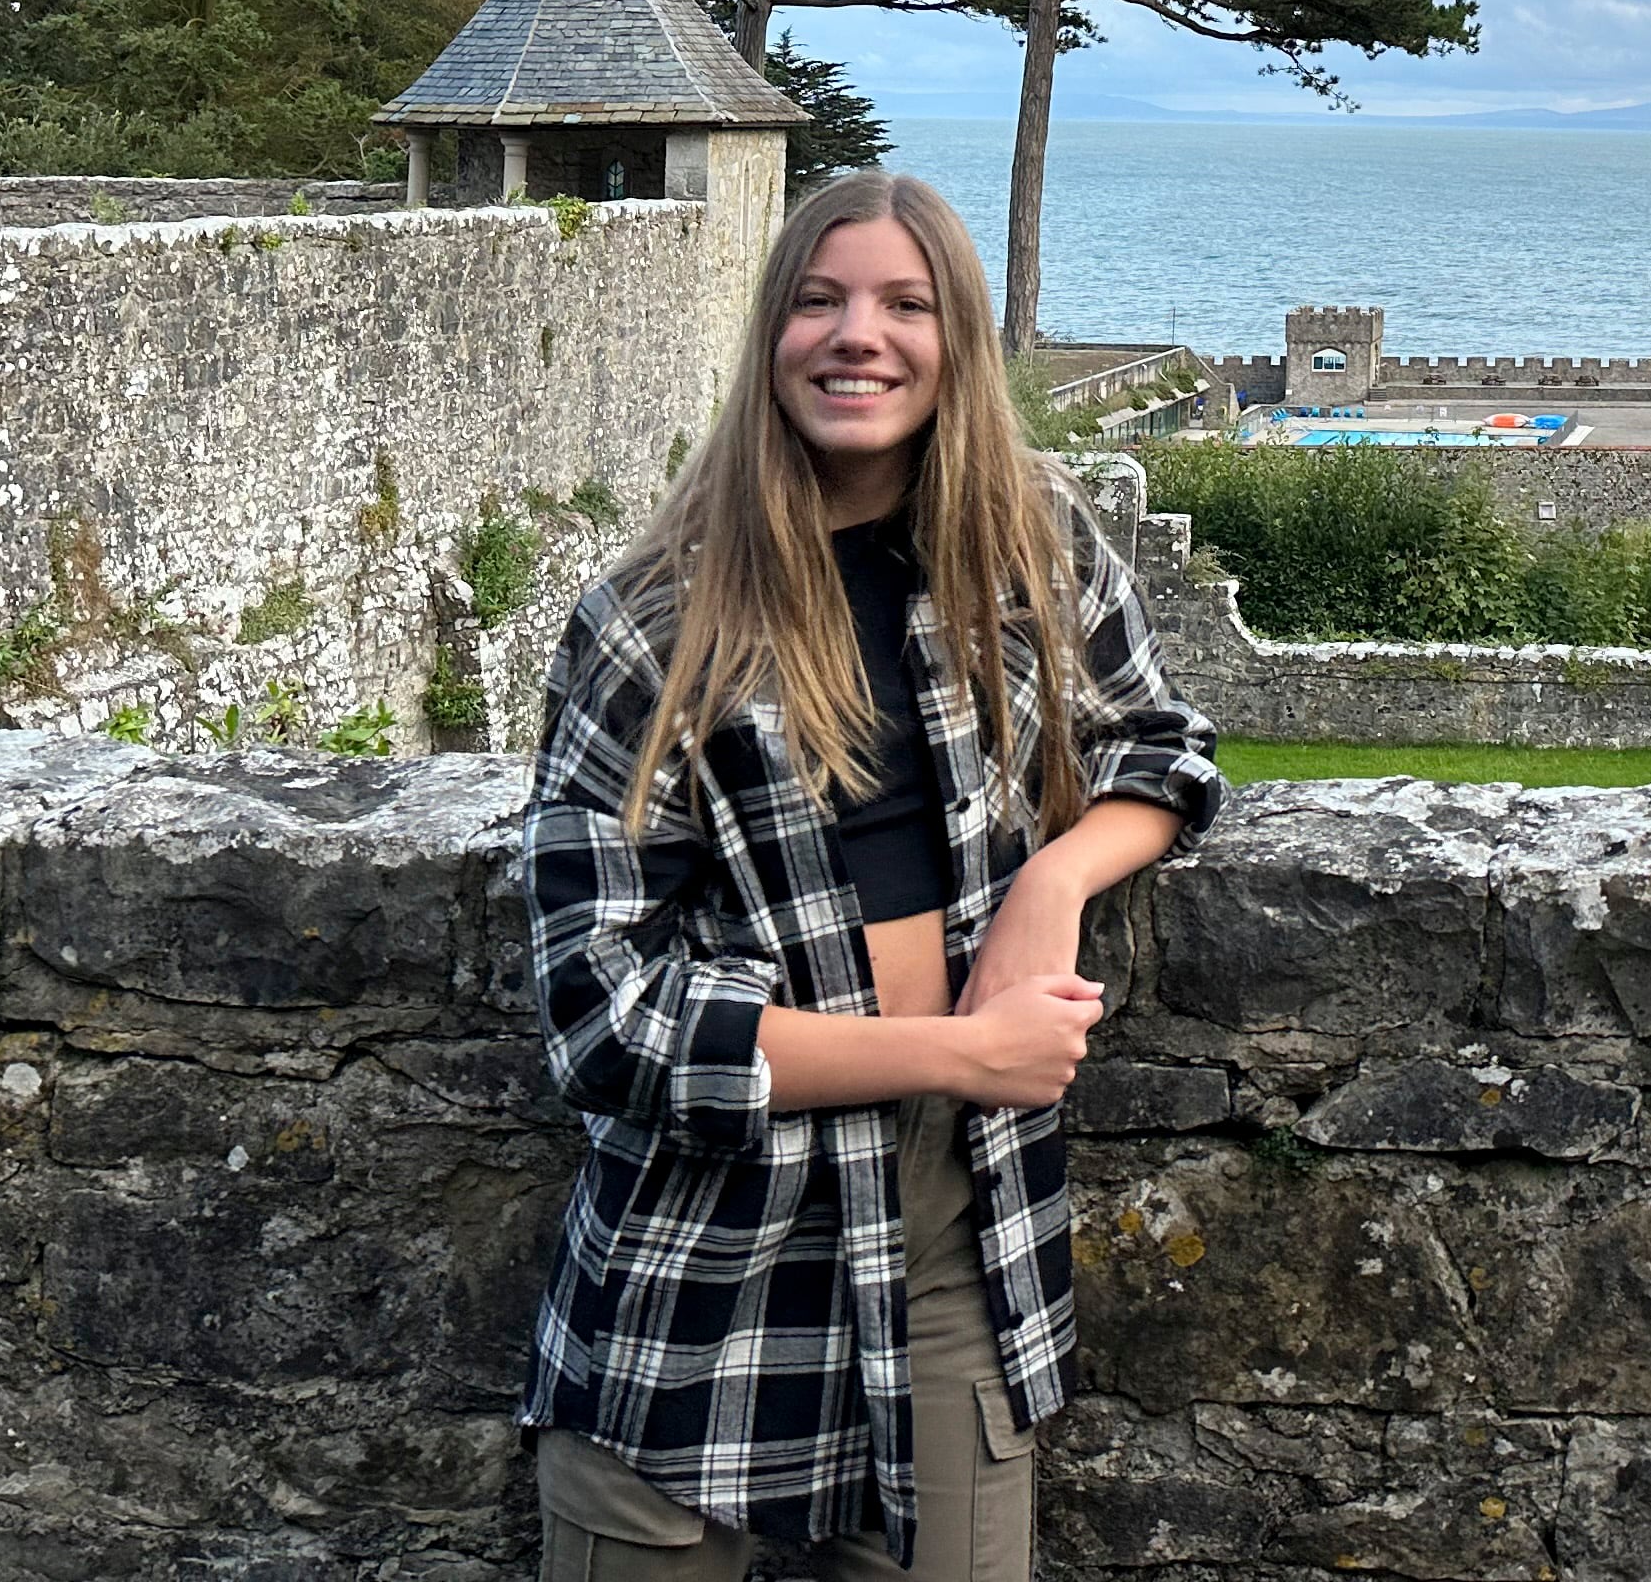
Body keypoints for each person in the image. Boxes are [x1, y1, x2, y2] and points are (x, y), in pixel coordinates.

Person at [516, 169, 1223, 1579]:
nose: (860, 336)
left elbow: (1165, 747)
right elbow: (604, 1020)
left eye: (905, 304)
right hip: (704, 1241)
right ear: (770, 333)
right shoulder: (649, 622)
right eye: (820, 301)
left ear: (957, 337)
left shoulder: (1034, 544)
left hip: (957, 1227)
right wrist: (959, 1051)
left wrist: (1054, 883)